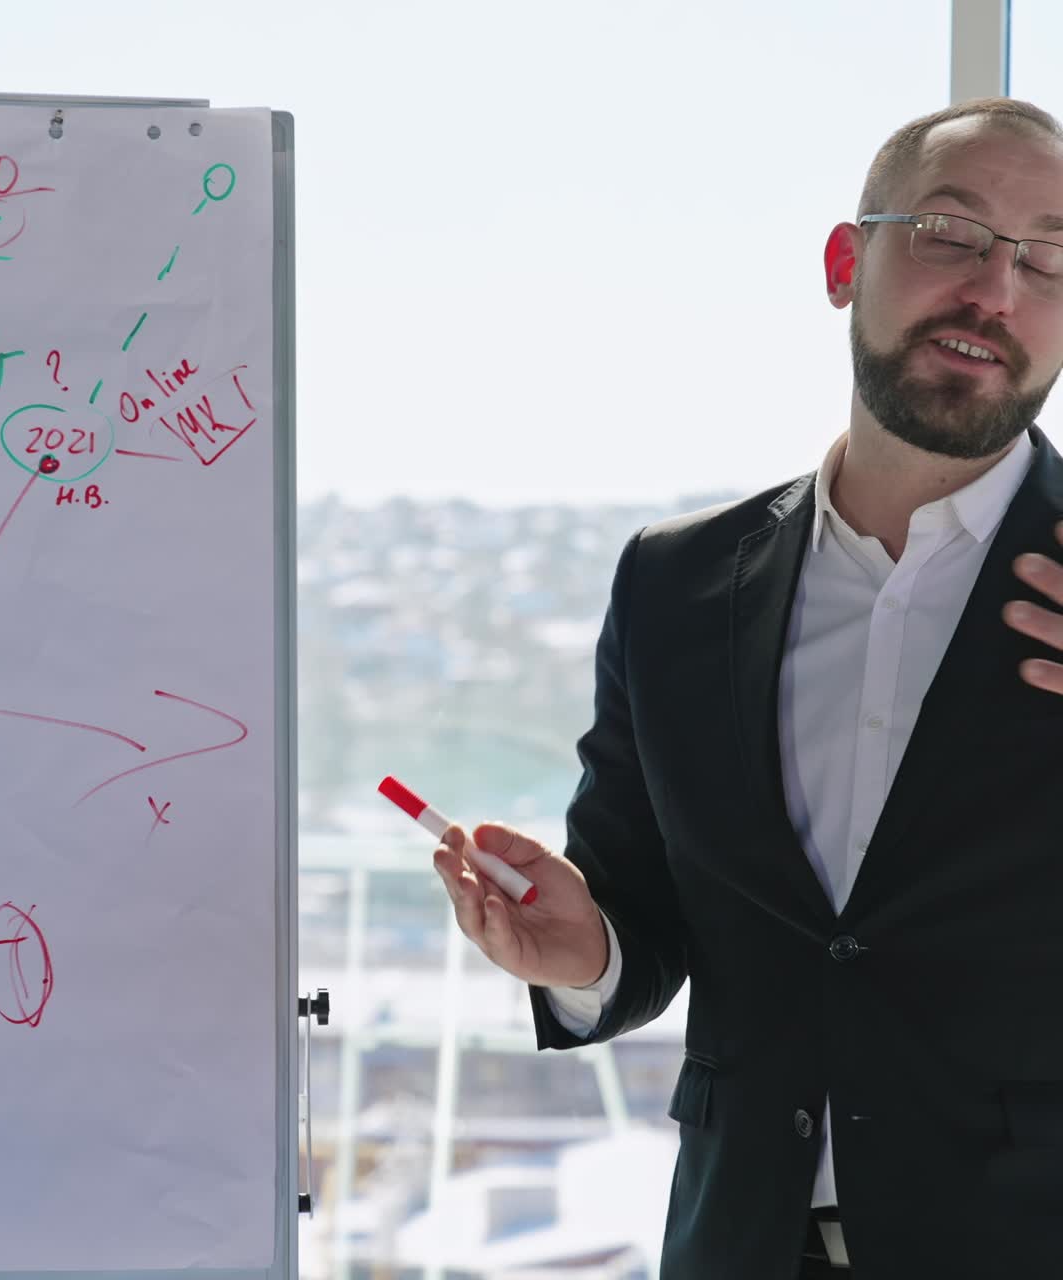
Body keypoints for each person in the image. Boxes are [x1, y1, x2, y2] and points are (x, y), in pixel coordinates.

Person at [432, 96, 1063, 1280]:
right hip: (737, 1243)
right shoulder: (673, 584)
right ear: (843, 261)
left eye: (1049, 259)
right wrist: (588, 954)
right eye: (950, 233)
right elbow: (641, 913)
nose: (995, 290)